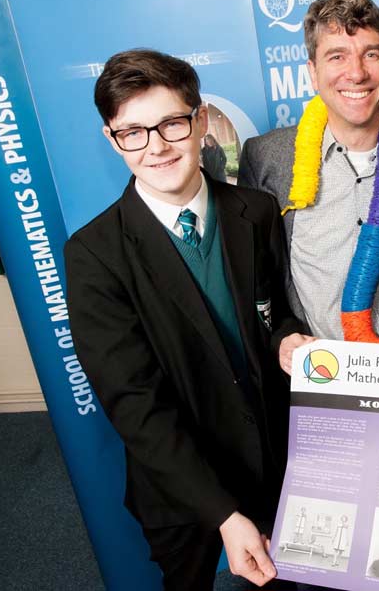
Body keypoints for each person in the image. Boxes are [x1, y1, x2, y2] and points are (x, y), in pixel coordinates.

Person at [64, 49, 307, 590]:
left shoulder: (256, 212)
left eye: (172, 123)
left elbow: (275, 315)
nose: (156, 146)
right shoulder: (94, 254)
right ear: (112, 139)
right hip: (177, 482)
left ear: (200, 122)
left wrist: (287, 339)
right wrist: (221, 513)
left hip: (271, 460)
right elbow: (134, 404)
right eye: (133, 132)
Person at [239, 0, 379, 343]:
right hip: (312, 373)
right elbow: (259, 277)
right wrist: (282, 338)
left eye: (371, 54)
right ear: (312, 73)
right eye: (337, 56)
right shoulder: (266, 157)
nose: (357, 73)